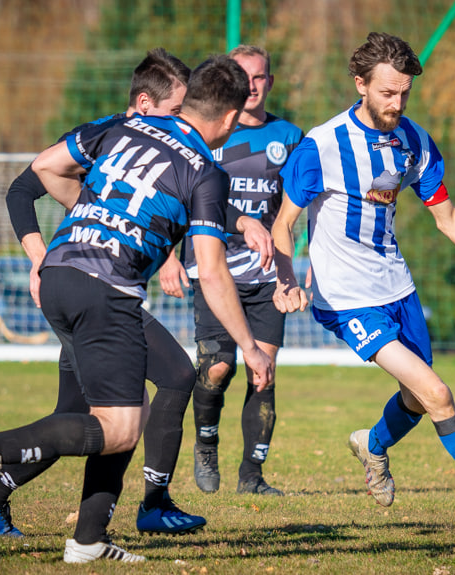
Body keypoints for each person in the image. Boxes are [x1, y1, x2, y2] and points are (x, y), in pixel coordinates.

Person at [0, 54, 273, 564]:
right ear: (230, 120)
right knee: (119, 426)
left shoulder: (125, 127)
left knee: (121, 411)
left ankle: (89, 539)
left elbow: (42, 168)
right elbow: (210, 272)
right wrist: (251, 349)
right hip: (107, 289)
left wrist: (91, 212)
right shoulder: (206, 172)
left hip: (60, 272)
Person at [271, 33, 455, 516]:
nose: (397, 103)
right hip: (344, 297)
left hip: (397, 285)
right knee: (438, 394)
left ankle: (372, 444)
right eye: (386, 93)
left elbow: (448, 217)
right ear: (360, 84)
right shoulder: (322, 145)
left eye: (404, 93)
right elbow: (283, 224)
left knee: (416, 399)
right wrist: (286, 278)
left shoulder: (412, 139)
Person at [0, 48, 212, 540]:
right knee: (173, 375)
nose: (184, 123)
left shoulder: (169, 148)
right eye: (175, 112)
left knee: (81, 416)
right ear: (144, 103)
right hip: (91, 286)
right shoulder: (105, 133)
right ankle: (148, 504)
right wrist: (39, 258)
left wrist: (161, 250)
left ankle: (4, 484)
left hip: (99, 286)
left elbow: (154, 213)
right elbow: (23, 188)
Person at [160, 45, 302, 496]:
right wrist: (167, 256)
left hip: (265, 275)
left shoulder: (290, 138)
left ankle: (252, 477)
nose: (253, 86)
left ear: (270, 82)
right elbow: (176, 201)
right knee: (218, 367)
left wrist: (292, 270)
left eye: (260, 77)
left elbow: (292, 214)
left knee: (265, 370)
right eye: (244, 77)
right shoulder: (207, 135)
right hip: (213, 270)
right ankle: (206, 442)